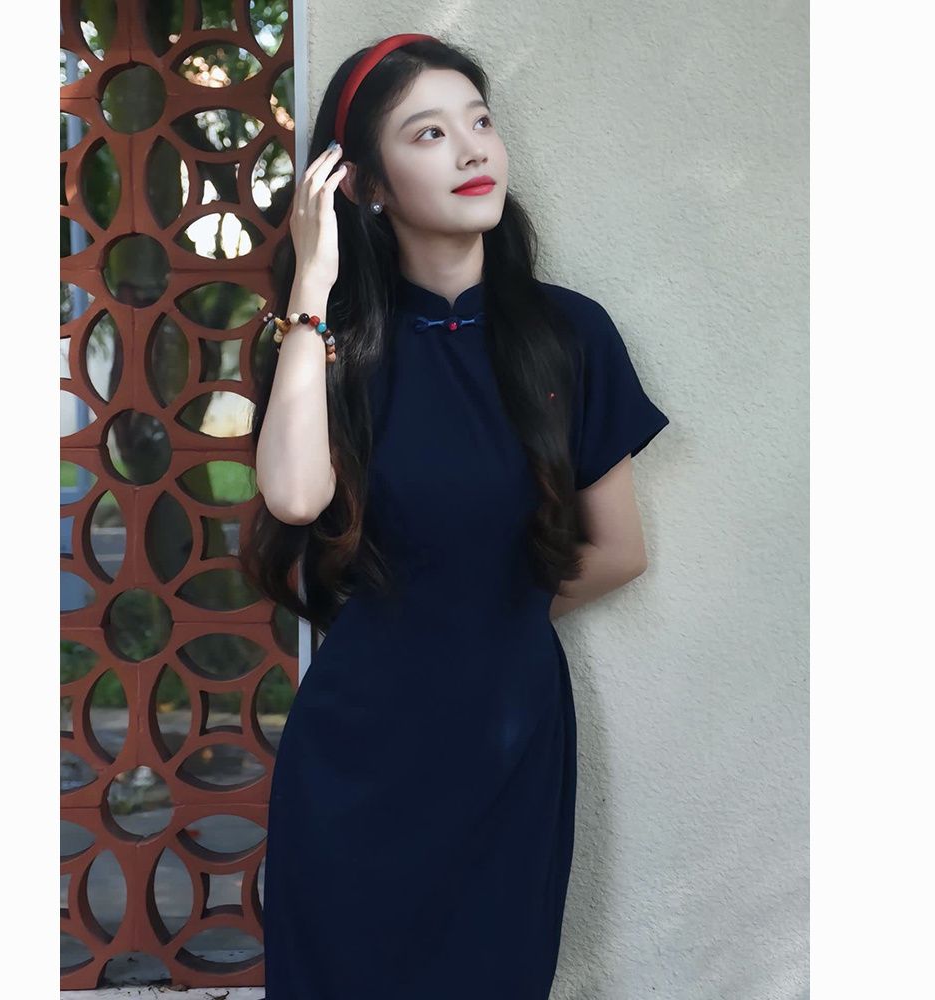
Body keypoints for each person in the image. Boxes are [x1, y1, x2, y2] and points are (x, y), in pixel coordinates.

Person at [240, 33, 670, 1000]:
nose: (473, 148)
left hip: (506, 745)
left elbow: (619, 551)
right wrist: (311, 288)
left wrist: (483, 620)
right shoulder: (328, 347)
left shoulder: (569, 335)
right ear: (366, 185)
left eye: (480, 121)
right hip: (354, 758)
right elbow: (295, 498)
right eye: (429, 133)